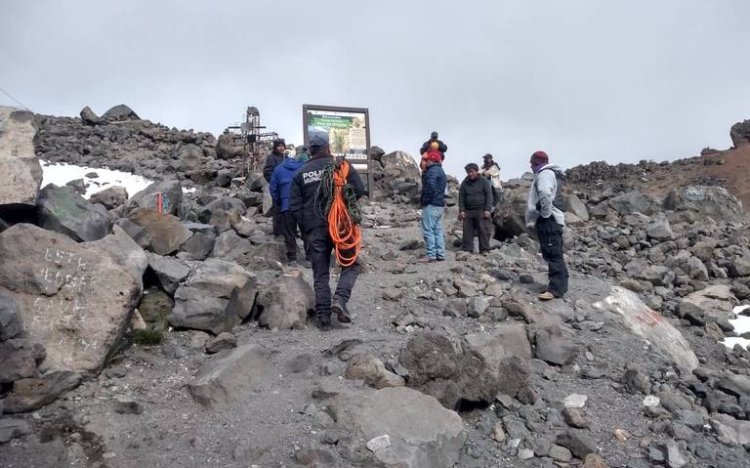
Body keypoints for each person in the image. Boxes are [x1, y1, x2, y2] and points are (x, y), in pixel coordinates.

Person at [290, 135, 365, 330]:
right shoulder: (341, 165)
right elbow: (359, 188)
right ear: (328, 147)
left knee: (320, 271)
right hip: (341, 226)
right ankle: (340, 299)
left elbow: (294, 206)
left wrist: (306, 228)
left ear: (311, 150)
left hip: (315, 229)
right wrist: (346, 203)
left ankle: (323, 318)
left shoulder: (301, 173)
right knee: (352, 264)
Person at [525, 150, 569, 301]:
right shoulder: (552, 174)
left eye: (532, 163)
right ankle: (560, 286)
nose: (530, 166)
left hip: (549, 220)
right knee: (554, 253)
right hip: (553, 220)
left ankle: (555, 290)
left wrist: (545, 214)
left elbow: (544, 193)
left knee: (552, 254)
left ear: (536, 163)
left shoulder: (544, 174)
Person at [269, 153, 304, 263]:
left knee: (289, 232)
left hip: (286, 205)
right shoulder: (303, 167)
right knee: (306, 231)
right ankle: (309, 257)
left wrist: (278, 201)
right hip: (302, 205)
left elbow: (273, 188)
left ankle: (292, 258)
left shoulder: (278, 169)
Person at [458, 163, 493, 253]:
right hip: (468, 211)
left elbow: (489, 195)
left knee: (483, 230)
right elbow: (461, 197)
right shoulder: (464, 183)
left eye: (472, 172)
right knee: (467, 231)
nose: (470, 174)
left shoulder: (484, 181)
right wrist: (462, 210)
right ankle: (467, 249)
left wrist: (487, 209)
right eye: (468, 172)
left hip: (482, 210)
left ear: (477, 171)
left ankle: (484, 250)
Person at [419, 154, 447, 262]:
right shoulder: (440, 171)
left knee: (428, 230)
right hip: (439, 204)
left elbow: (430, 186)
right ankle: (440, 254)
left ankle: (431, 255)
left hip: (431, 205)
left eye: (426, 160)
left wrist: (425, 200)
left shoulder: (432, 171)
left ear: (431, 160)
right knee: (437, 230)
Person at [263, 139, 287, 237]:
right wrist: (275, 184)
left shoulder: (286, 157)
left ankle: (286, 230)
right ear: (275, 147)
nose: (281, 148)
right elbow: (267, 172)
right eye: (279, 146)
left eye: (282, 146)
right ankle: (277, 232)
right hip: (277, 188)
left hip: (286, 188)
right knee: (277, 209)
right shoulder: (271, 158)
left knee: (286, 209)